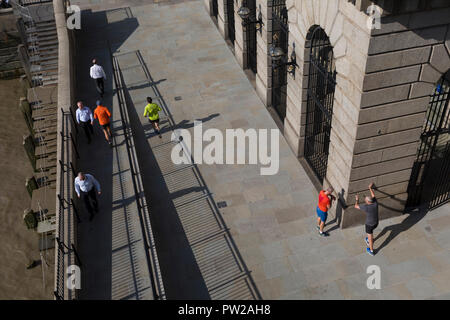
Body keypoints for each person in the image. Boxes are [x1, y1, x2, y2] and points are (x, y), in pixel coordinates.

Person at [354, 182, 379, 256]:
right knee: (370, 233)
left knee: (370, 238)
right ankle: (368, 239)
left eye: (365, 200)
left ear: (368, 202)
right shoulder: (375, 203)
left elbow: (356, 206)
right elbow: (373, 195)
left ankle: (371, 250)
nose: (365, 201)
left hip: (369, 224)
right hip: (376, 223)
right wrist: (370, 188)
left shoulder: (366, 207)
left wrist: (357, 199)